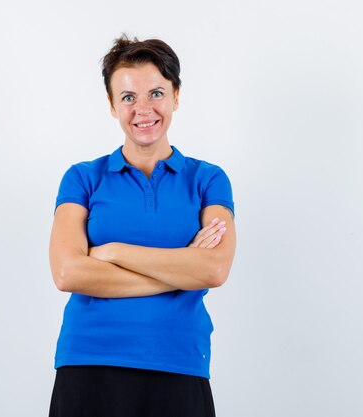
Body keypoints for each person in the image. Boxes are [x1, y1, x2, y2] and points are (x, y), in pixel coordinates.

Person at [48, 34, 236, 417]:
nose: (143, 109)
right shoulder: (82, 178)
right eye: (128, 97)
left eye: (156, 93)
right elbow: (68, 272)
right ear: (112, 105)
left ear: (176, 96)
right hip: (89, 361)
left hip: (178, 360)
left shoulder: (208, 180)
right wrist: (183, 269)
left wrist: (114, 253)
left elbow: (214, 268)